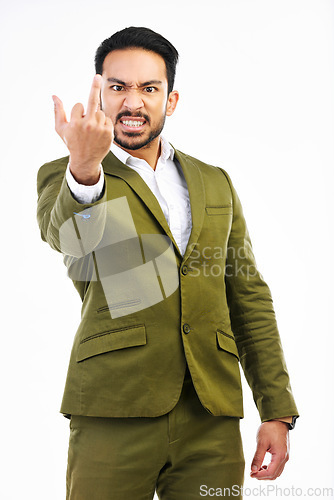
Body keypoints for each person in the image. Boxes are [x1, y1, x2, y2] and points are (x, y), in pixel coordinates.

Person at [37, 26, 299, 500]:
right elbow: (68, 241)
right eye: (117, 87)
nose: (132, 102)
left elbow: (247, 297)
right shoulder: (72, 173)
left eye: (148, 88)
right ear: (100, 93)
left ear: (170, 100)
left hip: (211, 414)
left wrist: (276, 410)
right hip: (113, 410)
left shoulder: (214, 182)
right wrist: (84, 168)